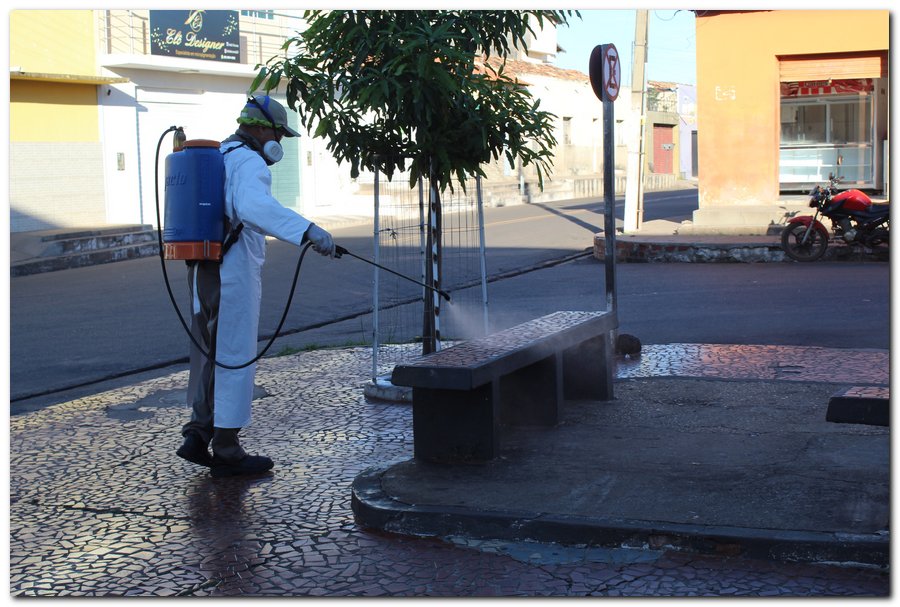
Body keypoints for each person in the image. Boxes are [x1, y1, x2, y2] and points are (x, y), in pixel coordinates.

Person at [176, 95, 336, 477]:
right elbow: (252, 207)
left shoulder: (223, 154)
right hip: (229, 273)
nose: (278, 141)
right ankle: (227, 447)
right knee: (234, 354)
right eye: (279, 133)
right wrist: (308, 231)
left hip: (202, 271)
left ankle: (197, 434)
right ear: (262, 128)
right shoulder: (248, 161)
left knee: (210, 352)